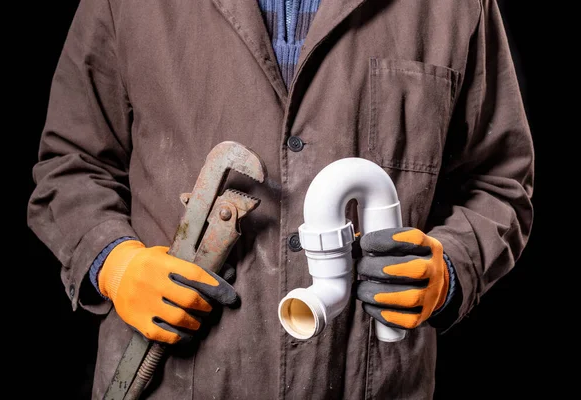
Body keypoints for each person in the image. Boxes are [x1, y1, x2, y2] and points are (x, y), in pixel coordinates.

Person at [27, 0, 534, 399]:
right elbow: (71, 165)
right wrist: (114, 264)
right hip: (171, 384)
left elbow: (501, 183)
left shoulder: (457, 5)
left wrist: (450, 270)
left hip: (372, 385)